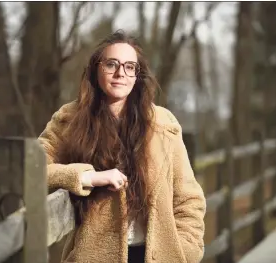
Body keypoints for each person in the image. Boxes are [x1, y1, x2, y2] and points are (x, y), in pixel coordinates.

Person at [38, 30, 206, 263]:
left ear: (138, 75)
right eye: (111, 64)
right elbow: (32, 169)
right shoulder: (69, 119)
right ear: (96, 69)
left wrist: (187, 249)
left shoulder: (163, 124)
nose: (120, 73)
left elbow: (188, 198)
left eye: (129, 67)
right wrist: (88, 177)